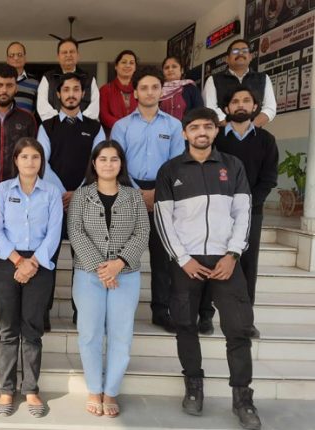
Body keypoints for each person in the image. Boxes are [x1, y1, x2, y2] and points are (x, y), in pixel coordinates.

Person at [154, 107, 261, 430]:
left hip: (225, 261)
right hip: (187, 262)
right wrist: (182, 258)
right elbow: (163, 217)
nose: (202, 132)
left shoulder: (233, 166)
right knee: (185, 325)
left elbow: (243, 213)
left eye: (208, 127)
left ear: (216, 131)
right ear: (185, 133)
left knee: (238, 330)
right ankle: (193, 387)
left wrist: (233, 254)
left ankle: (243, 398)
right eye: (195, 127)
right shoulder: (170, 170)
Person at [68, 140, 149, 418]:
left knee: (120, 336)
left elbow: (142, 233)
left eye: (114, 159)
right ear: (94, 163)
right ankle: (94, 388)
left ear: (121, 164)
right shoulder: (81, 195)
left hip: (126, 275)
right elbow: (75, 232)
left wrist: (118, 264)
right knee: (89, 334)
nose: (108, 164)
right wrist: (102, 268)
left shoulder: (134, 196)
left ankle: (111, 390)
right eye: (103, 159)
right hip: (89, 275)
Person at [0, 137, 62, 418]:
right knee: (8, 329)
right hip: (9, 261)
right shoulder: (3, 190)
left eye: (35, 157)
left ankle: (31, 388)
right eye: (24, 157)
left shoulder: (52, 192)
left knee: (32, 328)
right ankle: (6, 388)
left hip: (40, 263)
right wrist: (18, 260)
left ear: (41, 161)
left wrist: (33, 263)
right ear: (16, 161)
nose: (30, 162)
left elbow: (54, 232)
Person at [110, 66, 184, 333]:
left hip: (163, 194)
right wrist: (137, 193)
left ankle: (161, 310)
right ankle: (117, 310)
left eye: (155, 87)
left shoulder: (174, 126)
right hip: (128, 193)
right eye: (144, 87)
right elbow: (114, 163)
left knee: (162, 257)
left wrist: (157, 194)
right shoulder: (122, 126)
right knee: (121, 253)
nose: (150, 92)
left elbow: (178, 165)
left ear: (161, 91)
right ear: (135, 92)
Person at [38, 72, 105, 328]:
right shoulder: (46, 126)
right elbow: (41, 160)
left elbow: (101, 161)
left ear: (83, 94)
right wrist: (60, 192)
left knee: (84, 261)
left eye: (76, 89)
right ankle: (42, 312)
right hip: (53, 203)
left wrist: (78, 191)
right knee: (47, 259)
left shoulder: (95, 127)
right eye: (66, 90)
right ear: (58, 95)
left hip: (86, 201)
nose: (71, 94)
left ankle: (82, 313)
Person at [213, 86, 279, 339]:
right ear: (227, 108)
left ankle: (245, 320)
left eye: (246, 101)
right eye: (235, 101)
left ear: (254, 107)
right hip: (216, 211)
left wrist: (247, 206)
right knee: (211, 258)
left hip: (252, 212)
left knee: (247, 264)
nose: (241, 105)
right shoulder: (216, 138)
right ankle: (206, 315)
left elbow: (269, 178)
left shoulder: (266, 140)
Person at [203, 39, 276, 127]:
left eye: (244, 50)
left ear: (250, 57)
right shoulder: (213, 80)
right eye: (235, 51)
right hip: (223, 134)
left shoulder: (263, 78)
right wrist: (232, 128)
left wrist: (250, 127)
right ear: (227, 59)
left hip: (254, 134)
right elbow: (210, 108)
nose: (240, 53)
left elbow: (270, 108)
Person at [37, 38, 99, 122]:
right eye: (64, 52)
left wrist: (78, 121)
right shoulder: (48, 77)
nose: (68, 55)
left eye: (72, 52)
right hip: (54, 126)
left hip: (84, 127)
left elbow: (94, 107)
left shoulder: (89, 78)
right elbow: (42, 104)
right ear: (58, 57)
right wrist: (60, 121)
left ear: (78, 55)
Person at [99, 50, 138, 135]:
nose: (128, 65)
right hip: (113, 135)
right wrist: (123, 127)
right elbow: (103, 115)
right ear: (116, 66)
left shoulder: (139, 90)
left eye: (131, 63)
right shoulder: (105, 89)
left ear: (135, 68)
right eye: (124, 62)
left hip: (137, 135)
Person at [159, 55, 203, 121]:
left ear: (181, 70)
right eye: (166, 68)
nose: (170, 69)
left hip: (185, 129)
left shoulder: (190, 88)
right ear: (163, 72)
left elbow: (199, 111)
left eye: (174, 66)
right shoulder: (158, 89)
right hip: (161, 130)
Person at [6, 41, 39, 114]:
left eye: (19, 55)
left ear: (25, 58)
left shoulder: (35, 83)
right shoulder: (1, 81)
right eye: (12, 55)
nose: (16, 58)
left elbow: (37, 110)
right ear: (7, 60)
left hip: (27, 124)